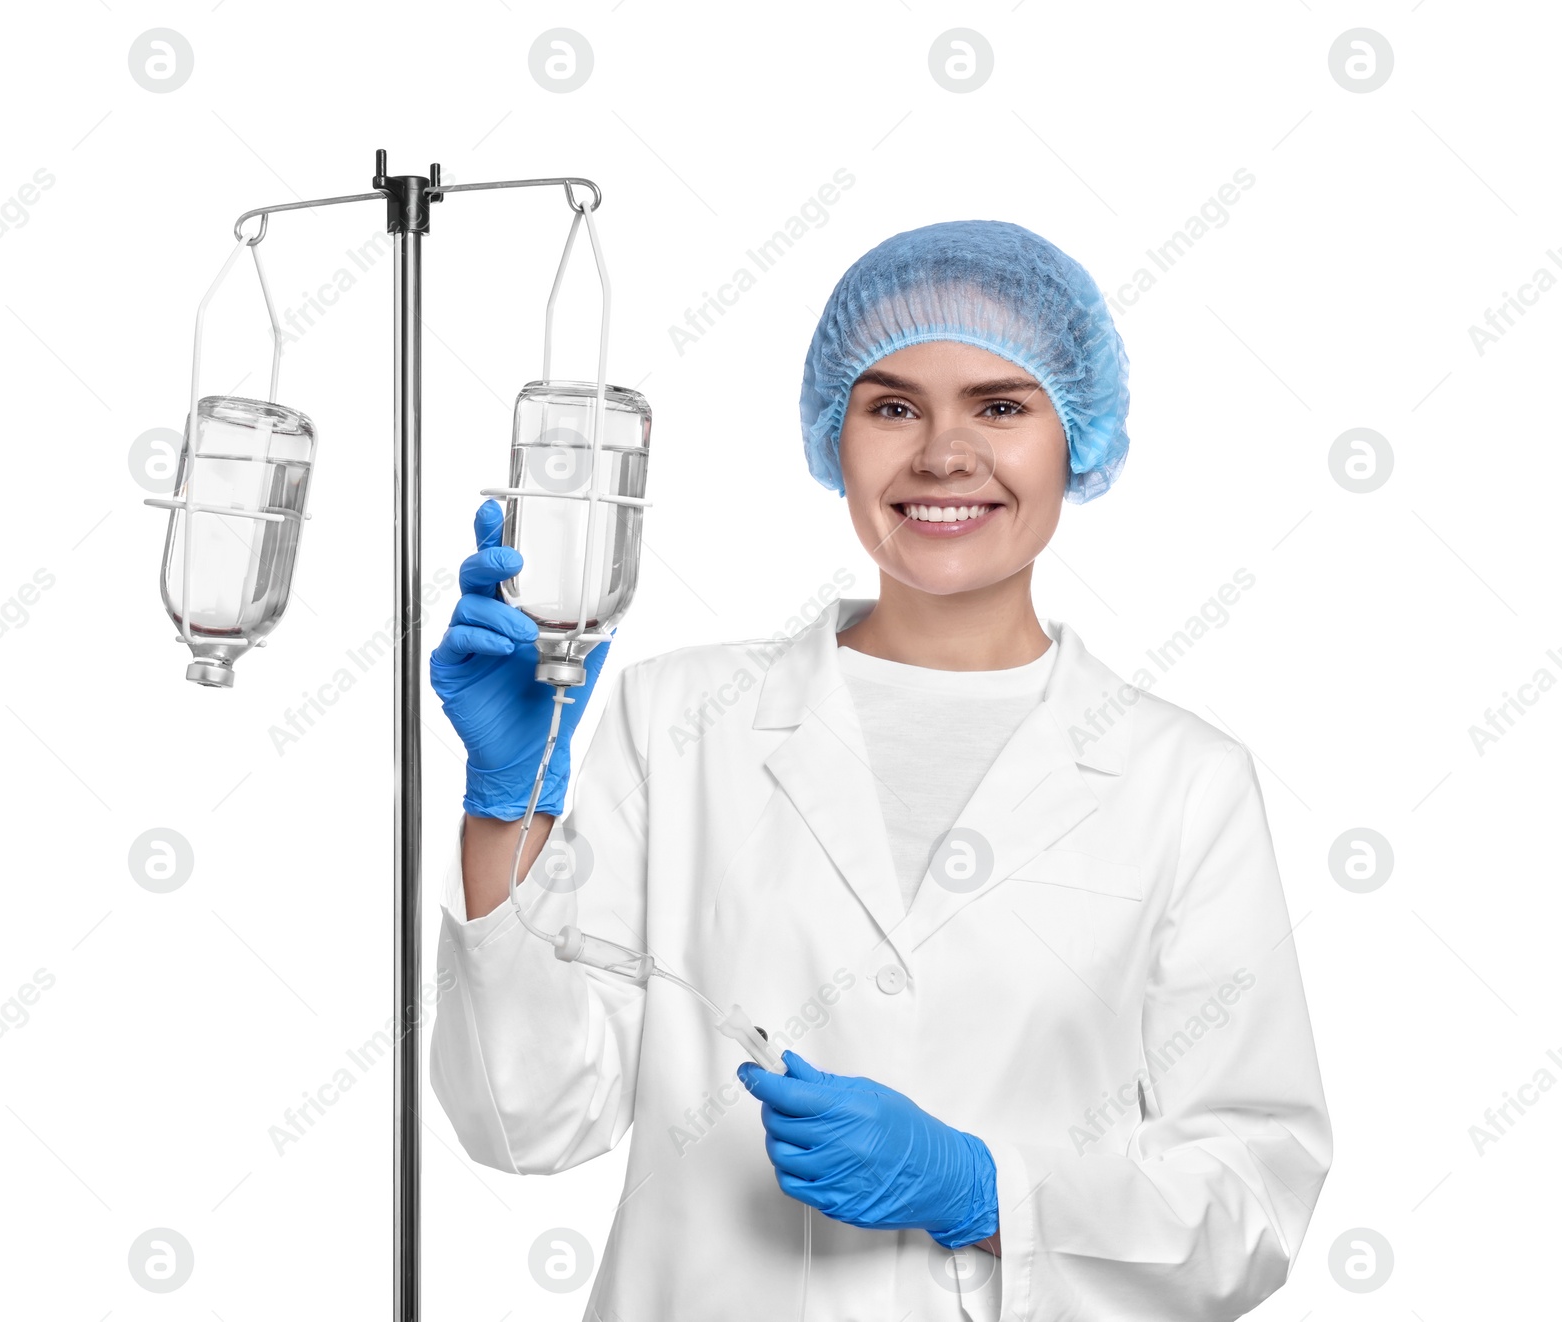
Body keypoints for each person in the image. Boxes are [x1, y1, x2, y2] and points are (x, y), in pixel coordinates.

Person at [427, 219, 1333, 1321]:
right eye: (893, 406)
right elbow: (525, 1118)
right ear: (835, 437)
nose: (943, 454)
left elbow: (1253, 1190)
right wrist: (504, 804)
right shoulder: (683, 715)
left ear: (1073, 440)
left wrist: (985, 1189)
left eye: (1001, 406)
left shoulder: (1183, 779)